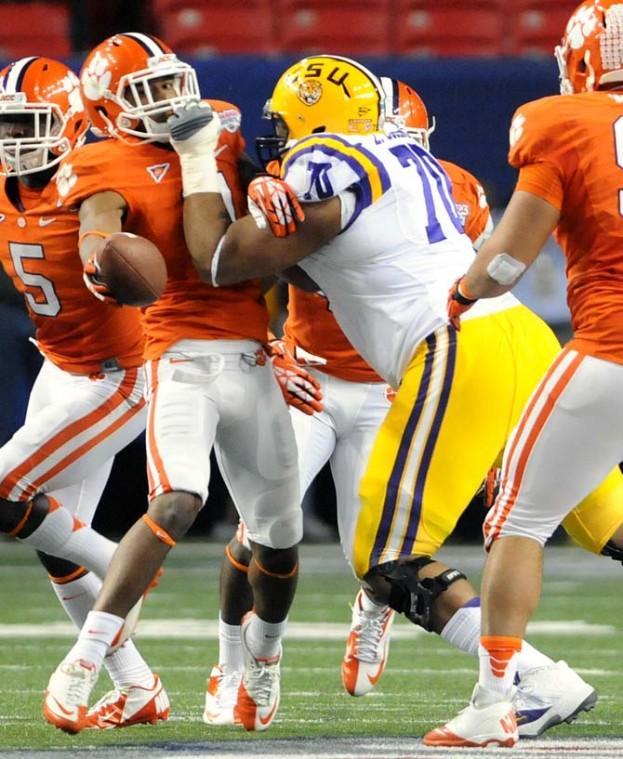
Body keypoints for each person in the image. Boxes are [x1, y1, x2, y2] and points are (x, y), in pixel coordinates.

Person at [170, 53, 623, 741]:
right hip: (519, 341)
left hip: (455, 346)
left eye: (287, 125)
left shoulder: (325, 161)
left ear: (314, 122)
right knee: (605, 524)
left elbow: (218, 258)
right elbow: (331, 269)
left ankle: (531, 681)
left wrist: (200, 162)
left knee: (386, 555)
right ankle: (532, 677)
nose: (281, 138)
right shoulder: (405, 159)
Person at [201, 77, 502, 729]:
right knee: (259, 531)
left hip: (390, 384)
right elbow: (259, 275)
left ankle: (370, 612)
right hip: (308, 379)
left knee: (382, 553)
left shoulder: (452, 192)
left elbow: (465, 299)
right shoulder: (303, 175)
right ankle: (243, 659)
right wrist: (272, 350)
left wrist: (443, 386)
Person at [43, 32, 303, 735]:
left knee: (279, 539)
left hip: (251, 352)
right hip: (177, 352)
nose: (169, 101)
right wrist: (101, 256)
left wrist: (265, 186)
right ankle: (85, 656)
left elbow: (257, 227)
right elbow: (100, 224)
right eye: (147, 93)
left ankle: (261, 660)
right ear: (108, 107)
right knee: (179, 497)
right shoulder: (98, 161)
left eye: (170, 84)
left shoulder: (217, 130)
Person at [425, 0, 623, 747]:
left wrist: (457, 294)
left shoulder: (560, 121)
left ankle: (493, 702)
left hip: (611, 345)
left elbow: (506, 261)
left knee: (515, 515)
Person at [0, 56, 167, 730]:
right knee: (48, 539)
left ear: (68, 121)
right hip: (60, 363)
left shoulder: (96, 176)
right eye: (6, 124)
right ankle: (137, 684)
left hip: (120, 374)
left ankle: (122, 561)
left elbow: (160, 253)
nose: (14, 138)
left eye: (27, 123)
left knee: (6, 487)